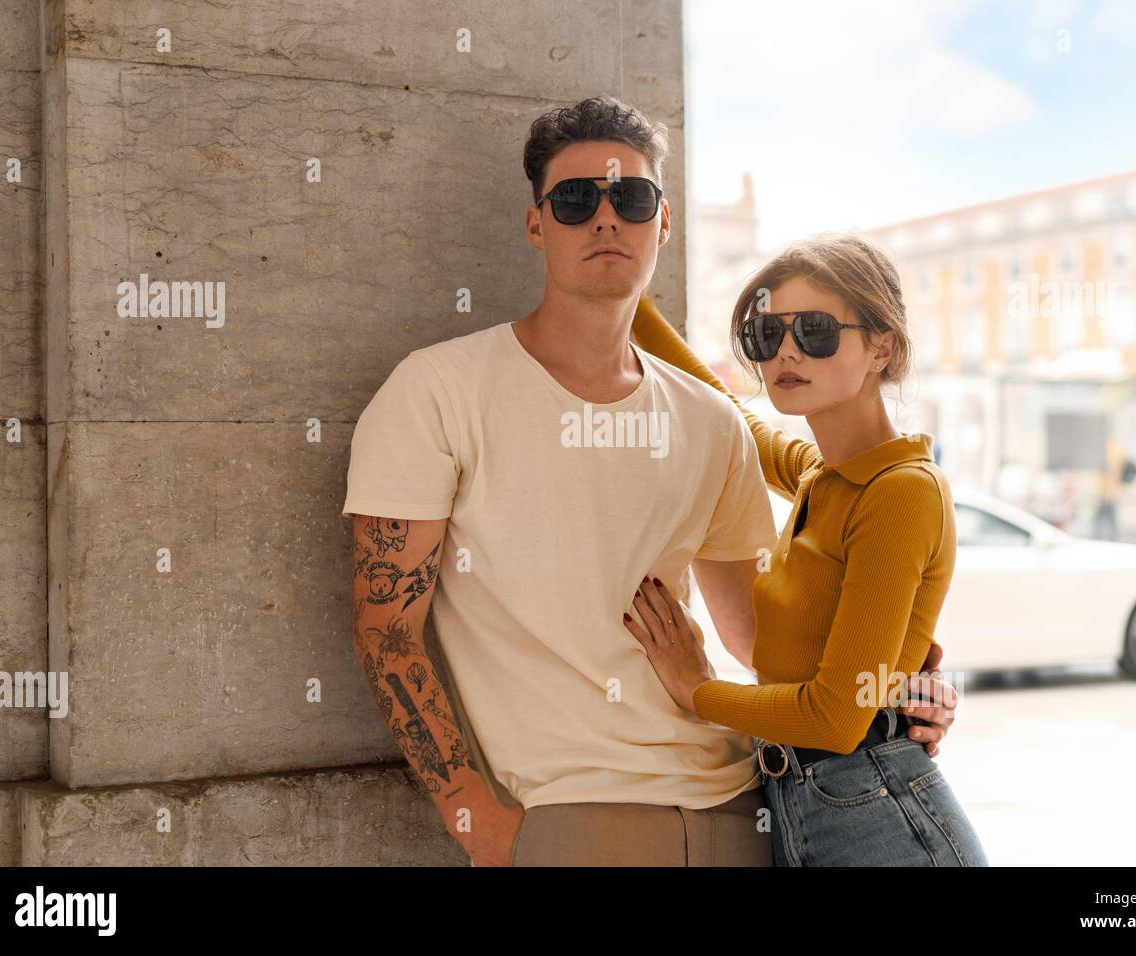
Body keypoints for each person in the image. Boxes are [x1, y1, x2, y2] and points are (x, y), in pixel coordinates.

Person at [342, 96, 959, 867]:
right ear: (537, 224)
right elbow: (386, 629)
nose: (605, 220)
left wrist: (895, 689)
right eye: (575, 201)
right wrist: (476, 821)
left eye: (630, 198)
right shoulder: (437, 390)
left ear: (662, 222)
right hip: (572, 817)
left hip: (751, 809)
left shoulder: (711, 422)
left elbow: (767, 644)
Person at [623, 233, 988, 866]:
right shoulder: (824, 476)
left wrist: (697, 689)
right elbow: (730, 414)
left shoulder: (900, 491)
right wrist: (628, 292)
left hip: (877, 813)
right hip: (810, 801)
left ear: (883, 346)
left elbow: (836, 718)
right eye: (766, 336)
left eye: (815, 331)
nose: (786, 351)